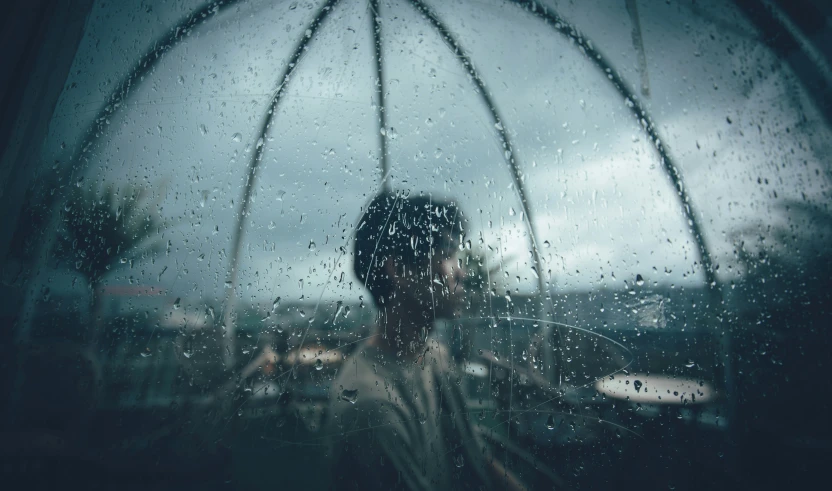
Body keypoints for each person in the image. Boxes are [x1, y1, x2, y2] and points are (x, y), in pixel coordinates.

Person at [326, 191, 525, 491]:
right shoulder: (372, 407)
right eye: (447, 254)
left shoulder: (433, 355)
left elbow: (473, 457)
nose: (461, 272)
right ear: (399, 270)